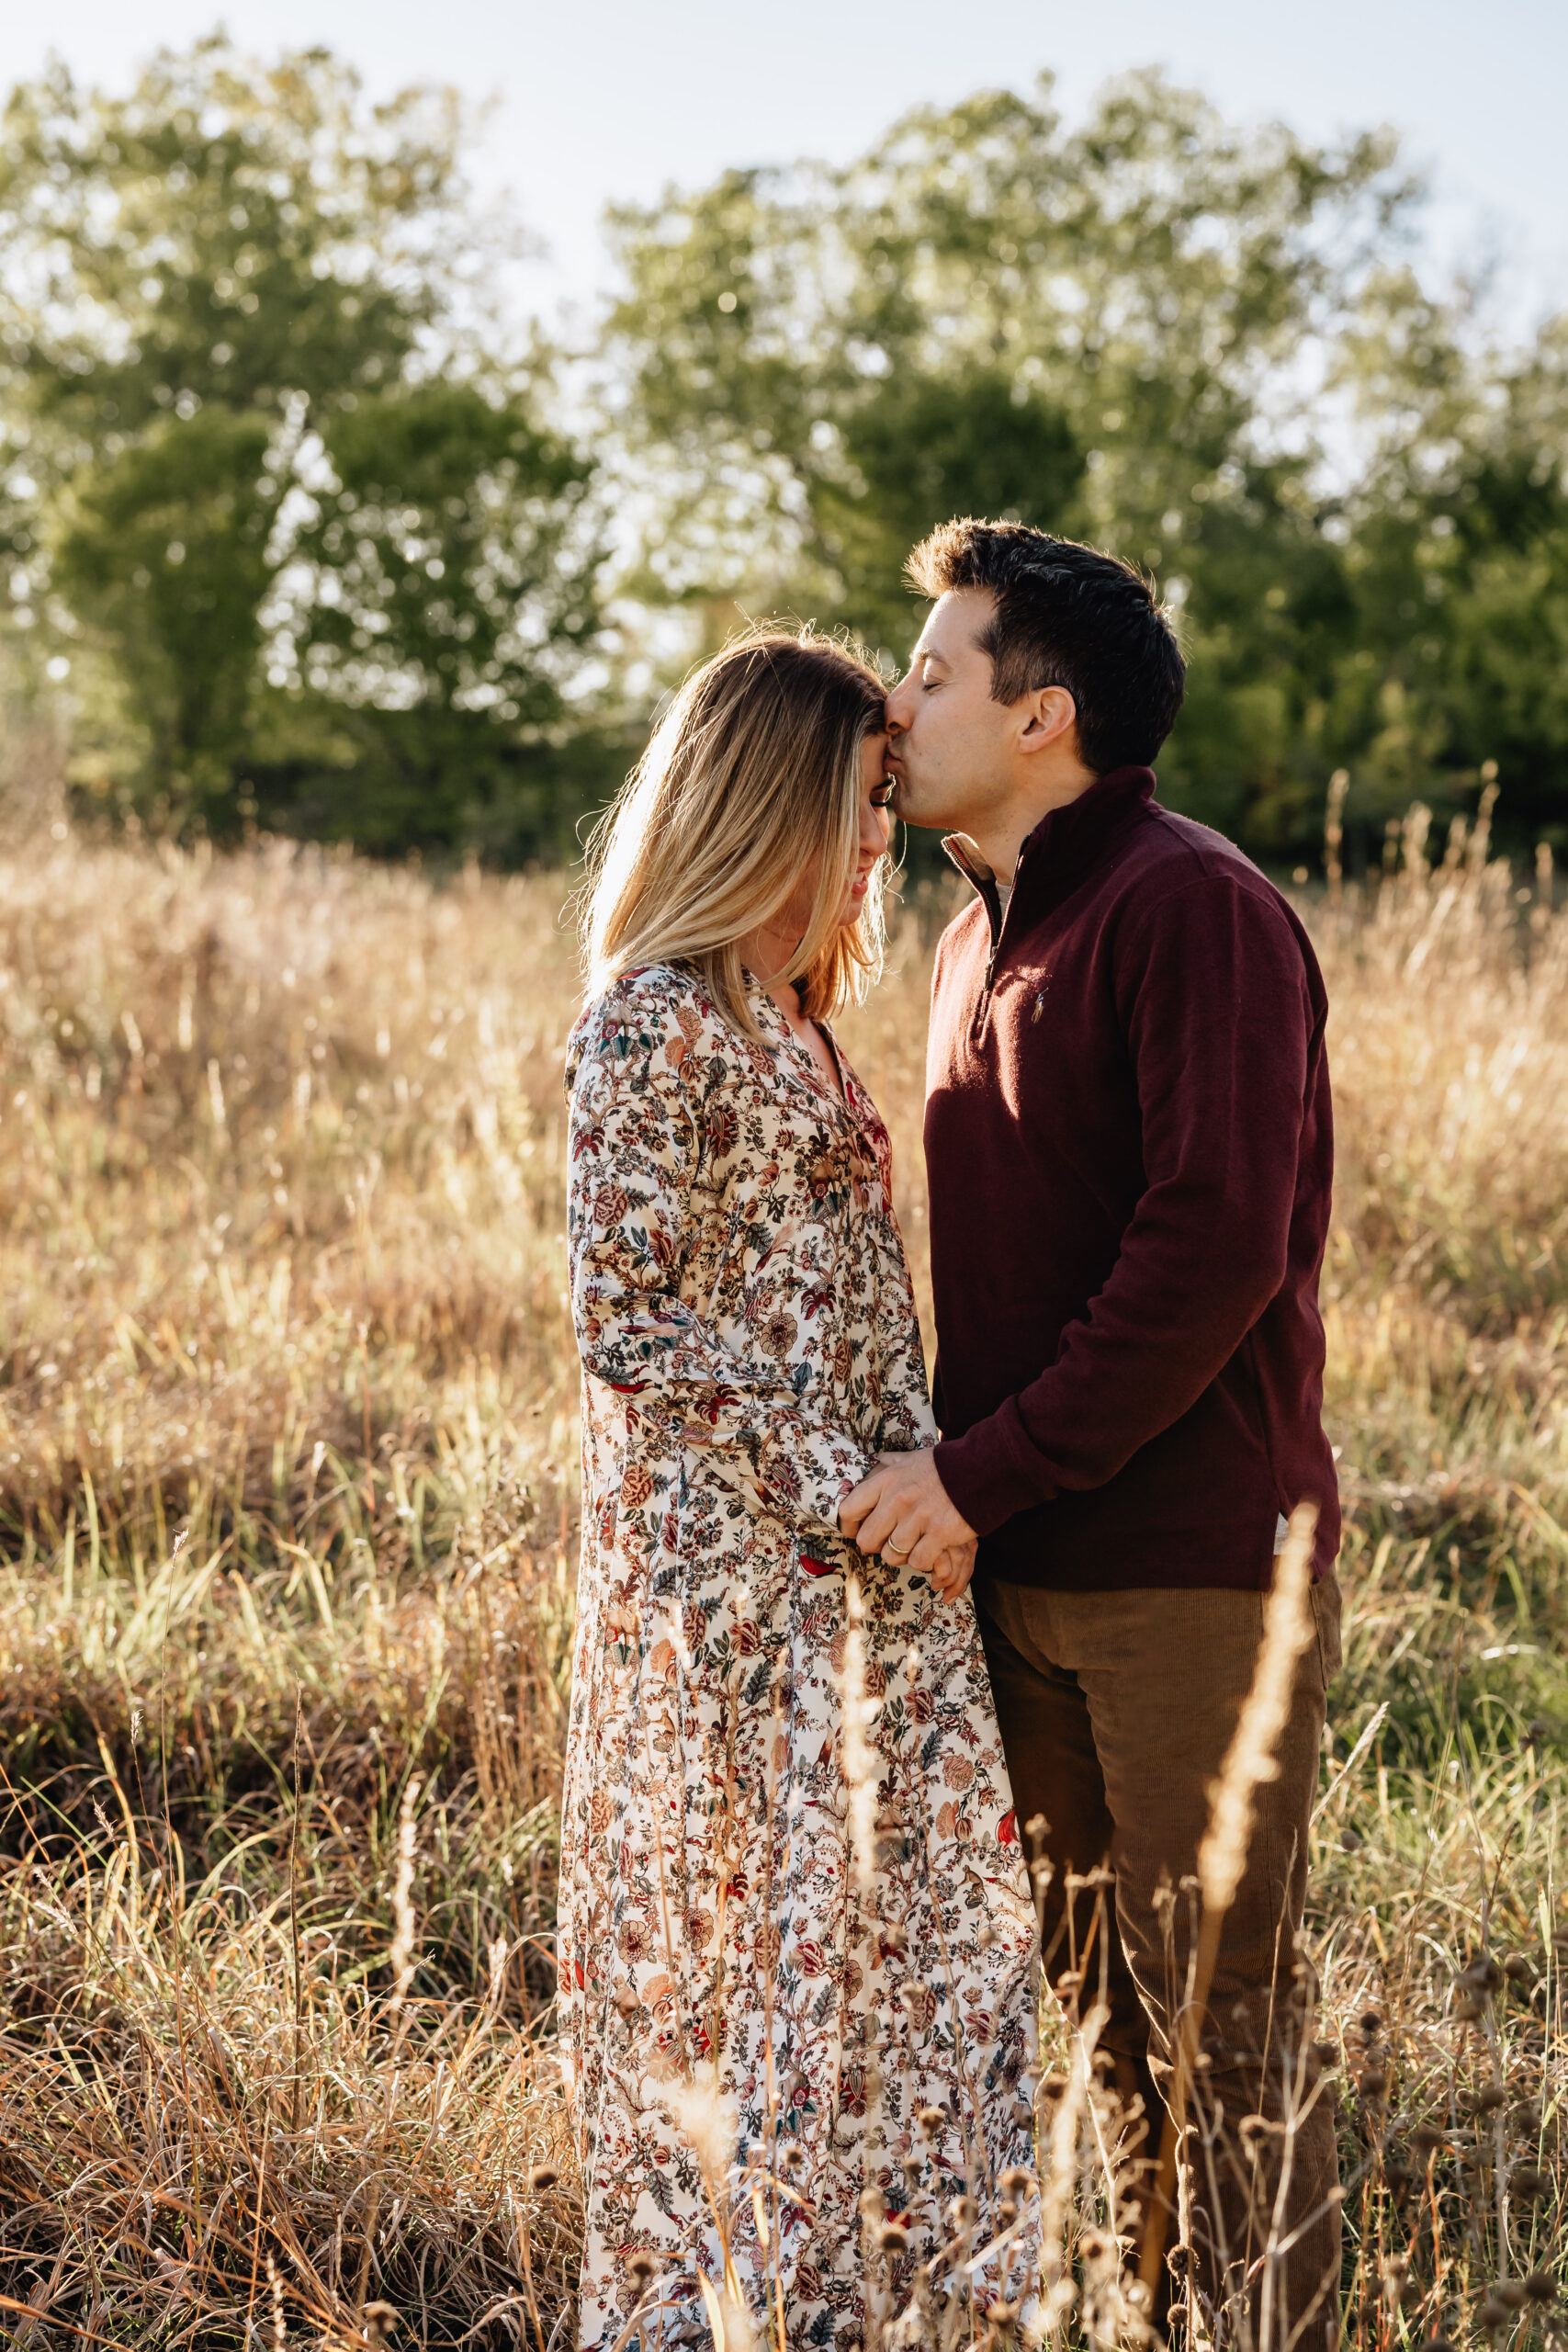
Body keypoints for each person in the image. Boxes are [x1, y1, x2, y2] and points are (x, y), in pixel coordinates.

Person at [840, 522, 1343, 2345]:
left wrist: (974, 1470)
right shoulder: (975, 935)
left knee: (1219, 2043)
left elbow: (1207, 1243)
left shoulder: (1186, 905)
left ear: (1038, 713)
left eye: (932, 672)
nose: (895, 704)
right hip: (1020, 1572)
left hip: (1187, 1578)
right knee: (1101, 2042)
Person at [558, 628, 1040, 2352]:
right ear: (756, 800)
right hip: (746, 1578)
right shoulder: (656, 1020)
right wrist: (853, 1484)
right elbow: (628, 1317)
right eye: (848, 808)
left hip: (869, 1559)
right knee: (761, 1965)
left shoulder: (792, 1017)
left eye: (883, 812)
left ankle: (881, 2304)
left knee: (892, 1964)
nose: (872, 848)